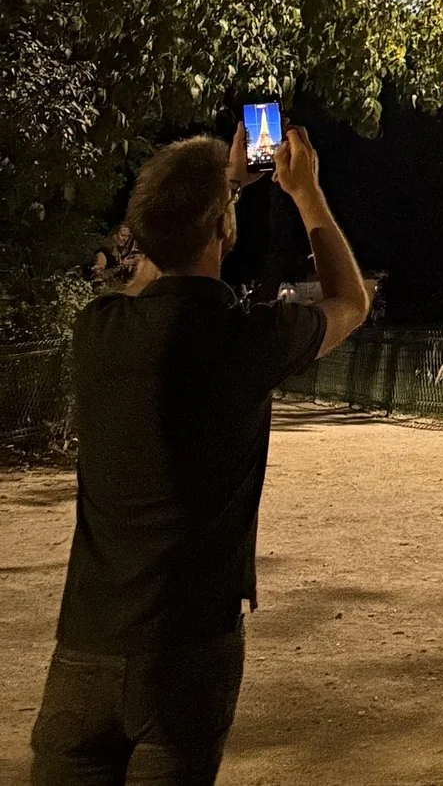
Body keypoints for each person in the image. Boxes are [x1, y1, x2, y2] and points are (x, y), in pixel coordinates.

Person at [29, 121, 369, 786]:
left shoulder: (97, 329)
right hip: (186, 655)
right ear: (226, 233)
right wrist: (305, 193)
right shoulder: (245, 338)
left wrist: (222, 188)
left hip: (85, 647)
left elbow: (145, 255)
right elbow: (350, 301)